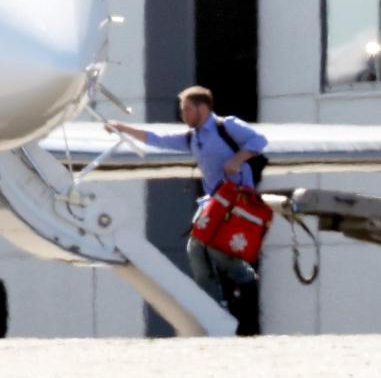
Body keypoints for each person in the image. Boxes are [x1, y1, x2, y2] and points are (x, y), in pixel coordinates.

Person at [106, 85, 268, 335]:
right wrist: (123, 128)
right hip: (214, 202)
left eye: (187, 109)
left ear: (202, 108)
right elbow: (156, 140)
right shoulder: (193, 138)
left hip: (236, 200)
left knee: (217, 248)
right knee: (196, 249)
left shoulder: (227, 126)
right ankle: (213, 307)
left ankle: (247, 284)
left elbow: (259, 140)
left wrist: (237, 160)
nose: (183, 115)